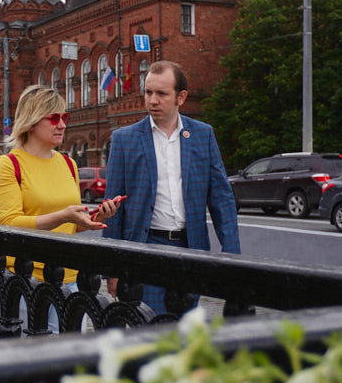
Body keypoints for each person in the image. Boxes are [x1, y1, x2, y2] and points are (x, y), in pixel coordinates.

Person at [102, 60, 241, 316]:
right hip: (145, 251)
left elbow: (222, 199)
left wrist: (232, 257)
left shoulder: (202, 135)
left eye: (161, 94)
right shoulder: (125, 139)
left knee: (185, 332)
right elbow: (114, 208)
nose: (152, 100)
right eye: (148, 93)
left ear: (181, 97)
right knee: (152, 331)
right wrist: (113, 268)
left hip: (190, 251)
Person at [0, 85, 121, 330]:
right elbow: (9, 224)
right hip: (27, 281)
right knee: (35, 363)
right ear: (30, 122)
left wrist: (94, 218)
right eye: (54, 118)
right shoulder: (7, 165)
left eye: (64, 117)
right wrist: (63, 215)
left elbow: (69, 227)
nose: (62, 124)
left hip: (70, 280)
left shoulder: (68, 164)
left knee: (69, 361)